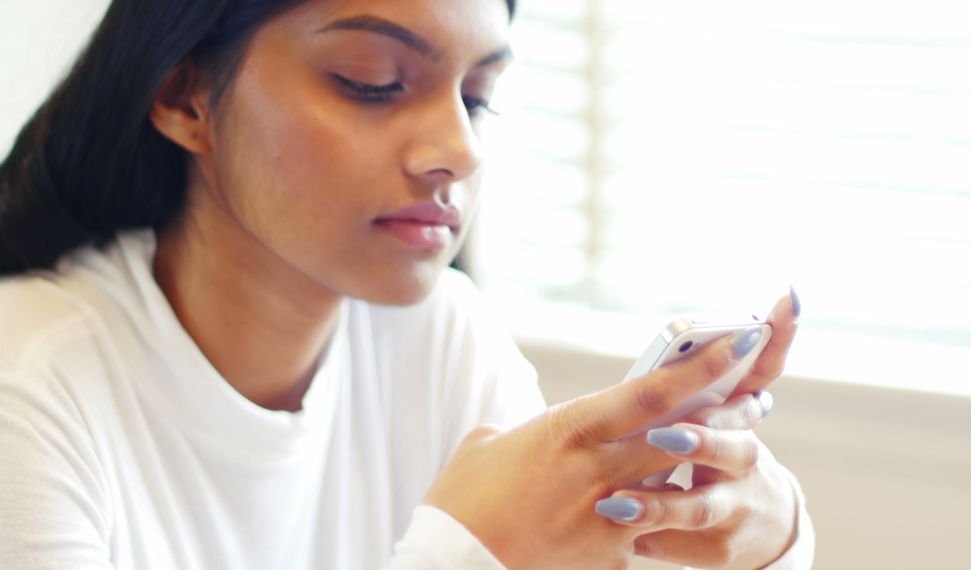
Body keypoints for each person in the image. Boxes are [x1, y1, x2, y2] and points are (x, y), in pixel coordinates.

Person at [0, 0, 814, 568]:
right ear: (185, 96)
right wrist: (469, 553)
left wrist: (768, 544)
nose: (458, 149)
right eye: (373, 82)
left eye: (478, 97)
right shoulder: (28, 385)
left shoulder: (442, 337)